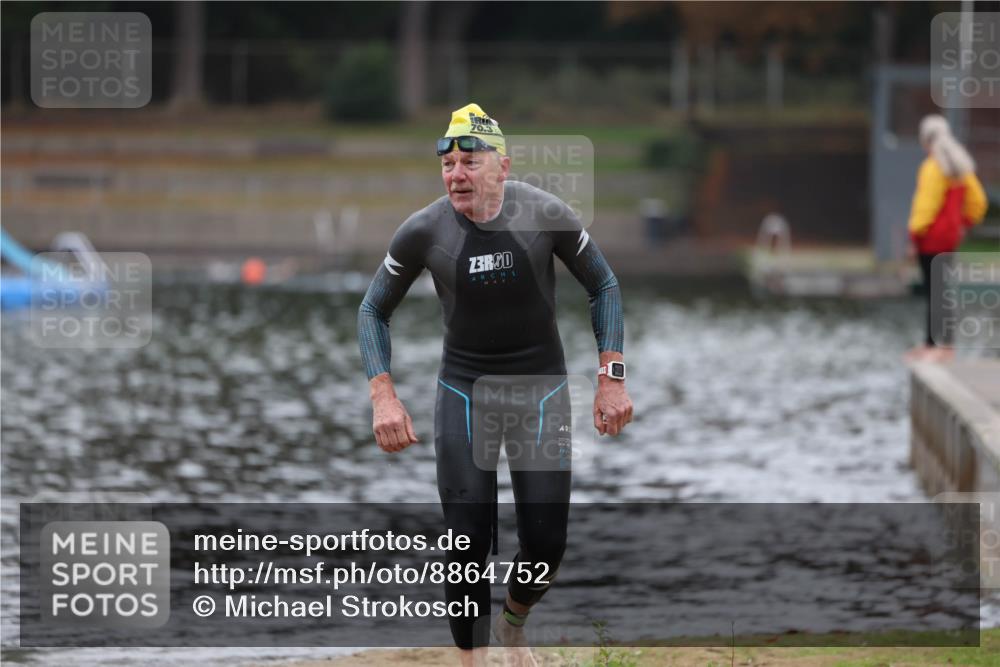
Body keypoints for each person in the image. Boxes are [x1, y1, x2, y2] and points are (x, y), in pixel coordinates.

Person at [357, 103, 633, 666]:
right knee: (466, 546)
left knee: (546, 544)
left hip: (542, 393)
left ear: (502, 166)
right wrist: (383, 395)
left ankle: (513, 624)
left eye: (470, 161)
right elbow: (371, 311)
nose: (457, 174)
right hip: (464, 392)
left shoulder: (547, 214)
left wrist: (611, 379)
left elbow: (603, 286)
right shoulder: (423, 230)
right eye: (448, 163)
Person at [906, 114, 988, 362]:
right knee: (942, 291)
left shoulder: (933, 166)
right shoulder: (961, 165)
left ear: (925, 140)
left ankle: (935, 345)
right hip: (950, 239)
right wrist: (962, 224)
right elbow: (978, 202)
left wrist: (914, 237)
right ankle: (943, 345)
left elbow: (925, 207)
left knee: (934, 292)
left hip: (930, 240)